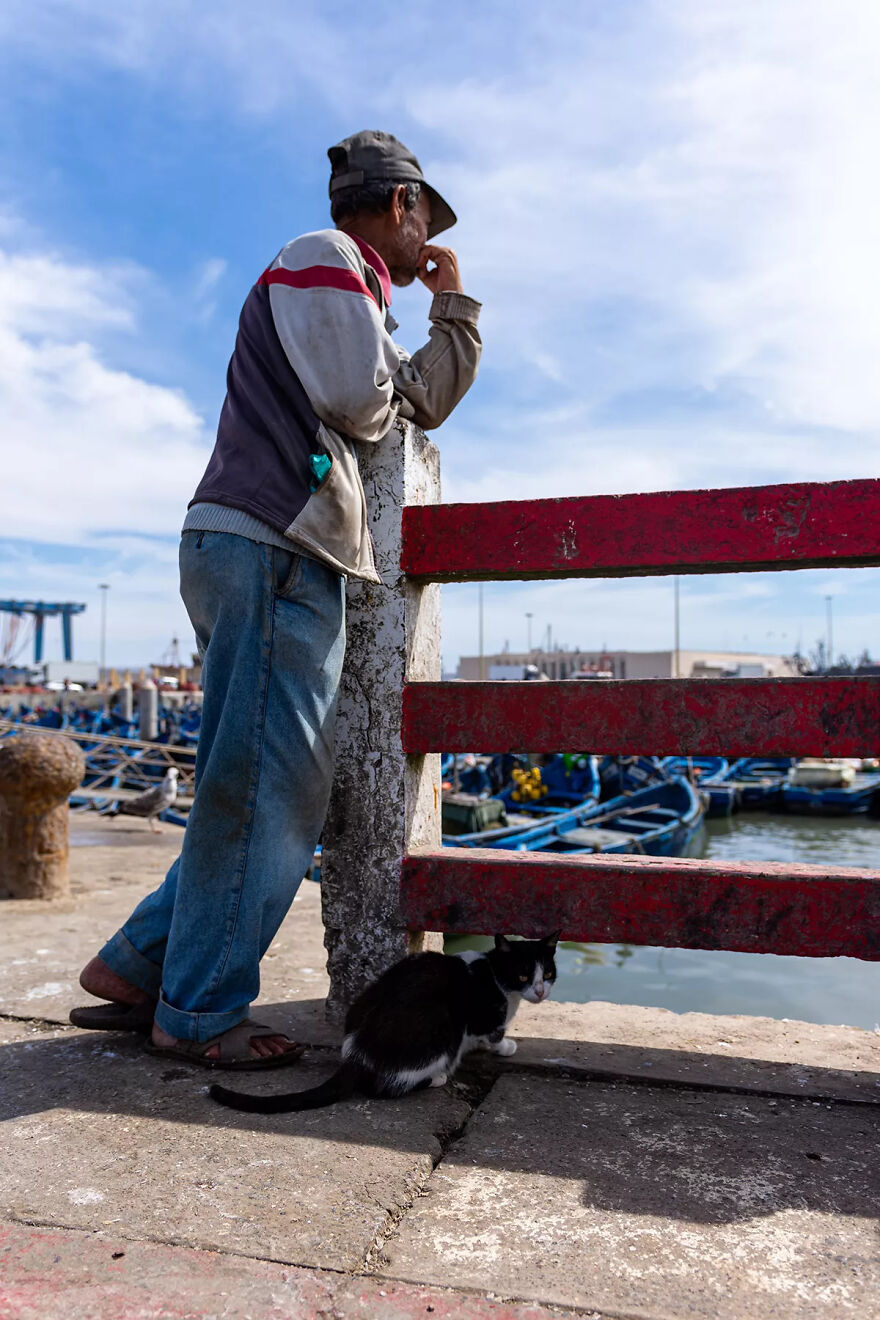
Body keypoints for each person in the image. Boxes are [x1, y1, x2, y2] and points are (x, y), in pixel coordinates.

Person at [71, 131, 482, 1067]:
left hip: (267, 546)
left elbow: (413, 399)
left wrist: (454, 310)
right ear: (401, 202)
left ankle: (138, 965)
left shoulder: (353, 292)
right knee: (272, 793)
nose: (430, 240)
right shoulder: (326, 257)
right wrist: (397, 374)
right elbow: (367, 404)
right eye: (427, 219)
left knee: (251, 780)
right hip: (273, 543)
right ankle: (199, 1010)